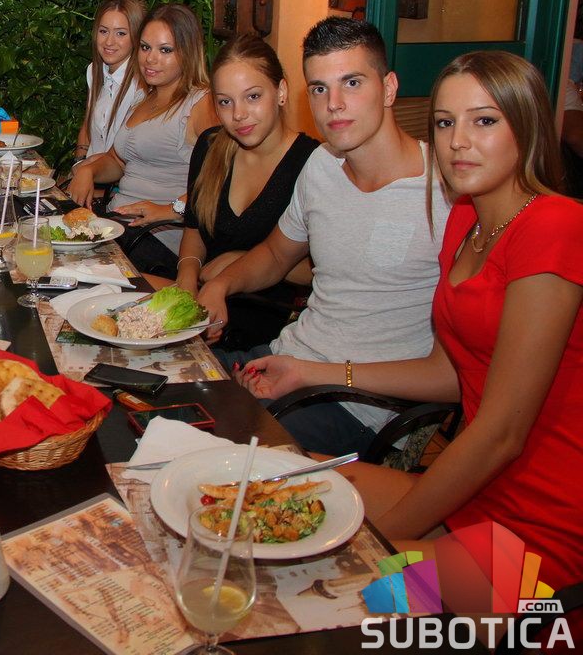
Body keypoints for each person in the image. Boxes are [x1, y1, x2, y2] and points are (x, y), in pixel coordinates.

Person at [240, 50, 583, 587]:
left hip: (541, 523)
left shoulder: (555, 224)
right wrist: (312, 372)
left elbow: (501, 434)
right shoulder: (466, 223)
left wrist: (376, 545)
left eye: (484, 121)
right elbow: (447, 374)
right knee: (265, 486)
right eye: (445, 123)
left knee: (324, 581)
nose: (458, 141)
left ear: (528, 126)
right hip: (474, 484)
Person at [197, 17, 453, 456]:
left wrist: (315, 374)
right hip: (284, 359)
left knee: (206, 453)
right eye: (319, 88)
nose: (333, 104)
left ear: (389, 88)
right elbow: (276, 254)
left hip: (360, 405)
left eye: (351, 82)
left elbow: (456, 373)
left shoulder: (444, 191)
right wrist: (220, 285)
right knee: (160, 390)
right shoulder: (321, 166)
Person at [154, 35, 319, 346]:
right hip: (201, 302)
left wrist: (240, 261)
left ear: (281, 92)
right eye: (225, 102)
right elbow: (194, 229)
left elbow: (321, 269)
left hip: (268, 321)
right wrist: (187, 279)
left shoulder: (312, 163)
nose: (238, 114)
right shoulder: (210, 147)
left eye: (252, 97)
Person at [67, 3, 216, 274]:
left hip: (159, 236)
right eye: (145, 47)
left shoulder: (200, 103)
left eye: (165, 50)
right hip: (118, 224)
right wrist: (88, 169)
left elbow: (223, 177)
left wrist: (171, 210)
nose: (150, 59)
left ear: (188, 52)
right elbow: (117, 161)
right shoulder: (144, 99)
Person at [74, 0, 146, 161]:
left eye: (120, 33)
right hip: (90, 170)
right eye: (103, 31)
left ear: (137, 36)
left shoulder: (142, 83)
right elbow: (87, 125)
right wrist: (78, 164)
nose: (109, 41)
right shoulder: (94, 71)